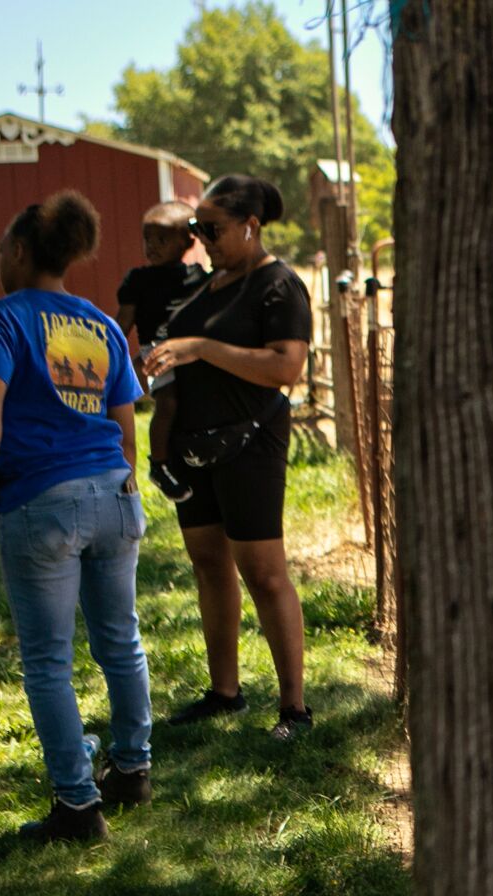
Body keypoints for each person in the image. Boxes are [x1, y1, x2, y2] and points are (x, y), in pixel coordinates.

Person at [0, 191, 151, 842]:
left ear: (17, 251)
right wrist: (121, 483)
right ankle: (132, 767)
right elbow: (125, 426)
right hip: (115, 494)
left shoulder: (0, 319)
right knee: (120, 640)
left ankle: (76, 804)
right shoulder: (98, 323)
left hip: (42, 501)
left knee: (47, 660)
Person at [141, 175, 314, 740]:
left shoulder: (279, 286)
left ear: (250, 226)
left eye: (211, 229)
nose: (202, 239)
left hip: (250, 443)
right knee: (208, 564)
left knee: (263, 574)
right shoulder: (202, 290)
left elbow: (286, 368)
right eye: (196, 229)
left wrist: (201, 348)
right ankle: (225, 692)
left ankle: (294, 709)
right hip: (195, 448)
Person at [115, 199, 207, 474]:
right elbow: (123, 323)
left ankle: (192, 450)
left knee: (195, 400)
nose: (152, 246)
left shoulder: (198, 277)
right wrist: (115, 359)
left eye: (162, 240)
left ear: (186, 243)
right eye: (147, 239)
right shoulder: (138, 279)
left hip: (190, 351)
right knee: (167, 401)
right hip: (154, 350)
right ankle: (159, 463)